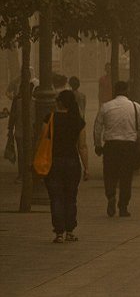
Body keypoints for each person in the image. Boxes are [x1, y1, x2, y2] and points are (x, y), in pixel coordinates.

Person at [94, 81, 140, 218]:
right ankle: (123, 206)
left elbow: (97, 128)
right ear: (127, 91)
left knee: (110, 174)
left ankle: (111, 196)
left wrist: (98, 145)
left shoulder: (106, 107)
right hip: (128, 146)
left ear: (115, 91)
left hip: (111, 146)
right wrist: (134, 134)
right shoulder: (136, 107)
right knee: (126, 177)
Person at [45, 90, 90, 243]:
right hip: (72, 162)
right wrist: (87, 168)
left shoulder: (50, 118)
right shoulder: (78, 120)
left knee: (56, 198)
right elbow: (82, 146)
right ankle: (70, 231)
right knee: (71, 197)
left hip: (54, 162)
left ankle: (59, 233)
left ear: (59, 102)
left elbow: (42, 140)